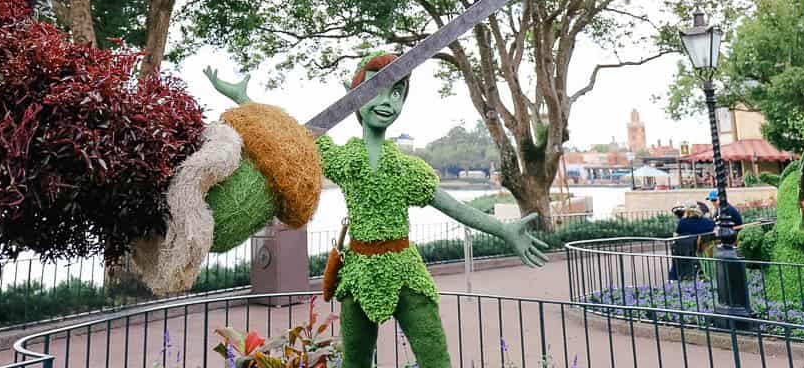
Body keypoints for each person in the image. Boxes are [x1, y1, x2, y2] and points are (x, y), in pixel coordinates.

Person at [207, 52, 548, 368]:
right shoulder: (344, 158)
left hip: (406, 272)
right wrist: (243, 100)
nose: (386, 102)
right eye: (376, 91)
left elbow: (453, 206)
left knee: (435, 357)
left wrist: (504, 229)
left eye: (397, 93)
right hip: (358, 275)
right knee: (355, 362)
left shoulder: (408, 169)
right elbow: (287, 139)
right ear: (355, 98)